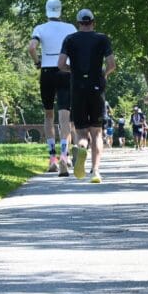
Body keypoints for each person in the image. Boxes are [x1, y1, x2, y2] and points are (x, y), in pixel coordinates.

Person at [58, 9, 116, 184]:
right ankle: (96, 171)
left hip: (77, 87)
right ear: (93, 22)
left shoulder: (70, 39)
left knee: (81, 131)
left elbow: (61, 64)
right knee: (97, 132)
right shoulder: (102, 39)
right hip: (96, 86)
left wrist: (73, 70)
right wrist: (104, 74)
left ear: (78, 23)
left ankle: (81, 148)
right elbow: (111, 64)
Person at [28, 0, 77, 176]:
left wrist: (37, 62)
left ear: (46, 11)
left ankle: (52, 159)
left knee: (49, 115)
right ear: (60, 10)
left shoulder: (39, 28)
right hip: (65, 71)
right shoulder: (70, 28)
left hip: (47, 72)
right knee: (65, 116)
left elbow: (31, 47)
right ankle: (65, 155)